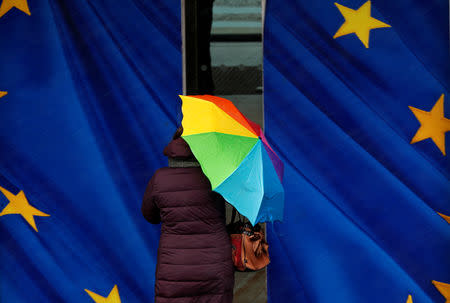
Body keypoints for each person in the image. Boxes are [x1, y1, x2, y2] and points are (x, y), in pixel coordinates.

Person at [142, 126, 235, 303]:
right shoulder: (216, 176)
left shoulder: (159, 178)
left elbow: (150, 216)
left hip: (175, 267)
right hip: (214, 265)